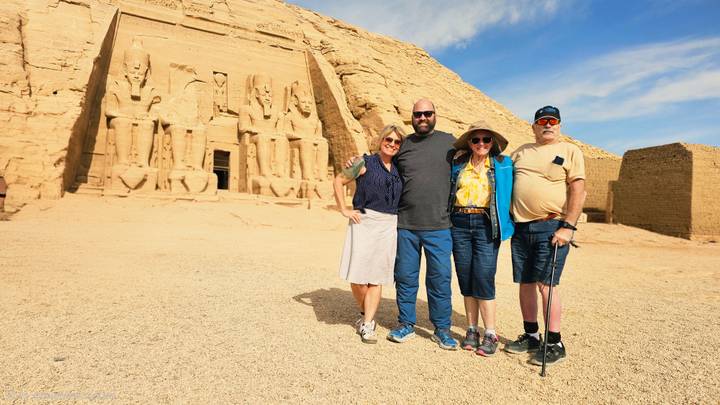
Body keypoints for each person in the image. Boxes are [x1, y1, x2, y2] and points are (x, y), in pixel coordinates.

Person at [503, 105, 586, 366]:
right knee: (526, 283)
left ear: (559, 125)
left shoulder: (570, 151)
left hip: (552, 227)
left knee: (546, 284)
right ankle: (531, 335)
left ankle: (555, 342)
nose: (547, 125)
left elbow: (578, 191)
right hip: (521, 228)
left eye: (552, 121)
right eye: (542, 121)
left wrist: (568, 227)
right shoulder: (521, 152)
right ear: (534, 126)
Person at [386, 99, 458, 350]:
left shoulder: (450, 142)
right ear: (412, 117)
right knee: (405, 277)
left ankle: (442, 328)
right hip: (406, 224)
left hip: (439, 225)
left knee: (440, 278)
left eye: (427, 113)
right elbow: (384, 165)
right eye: (418, 114)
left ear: (435, 114)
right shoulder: (404, 145)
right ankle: (406, 323)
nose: (423, 118)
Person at [333, 125, 405, 344]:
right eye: (388, 140)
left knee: (377, 275)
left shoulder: (399, 168)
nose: (392, 144)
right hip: (364, 221)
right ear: (381, 140)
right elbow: (338, 180)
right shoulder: (364, 162)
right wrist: (343, 208)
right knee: (358, 275)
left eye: (397, 142)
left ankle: (368, 323)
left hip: (388, 224)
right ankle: (366, 313)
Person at [448, 120, 514, 356]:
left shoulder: (503, 164)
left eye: (486, 139)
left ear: (493, 142)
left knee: (484, 276)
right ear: (469, 142)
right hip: (460, 222)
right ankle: (472, 329)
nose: (481, 143)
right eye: (476, 139)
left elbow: (518, 189)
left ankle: (490, 333)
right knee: (466, 278)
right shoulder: (458, 164)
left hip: (487, 223)